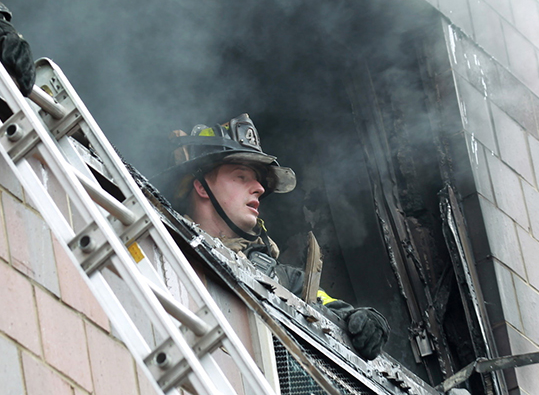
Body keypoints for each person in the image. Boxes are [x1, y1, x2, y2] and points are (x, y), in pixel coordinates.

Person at [153, 114, 391, 360]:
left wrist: (367, 321)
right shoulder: (158, 243)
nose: (259, 188)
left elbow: (332, 311)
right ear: (201, 186)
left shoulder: (282, 279)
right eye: (241, 176)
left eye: (257, 180)